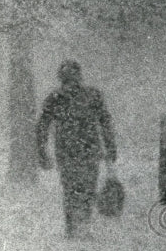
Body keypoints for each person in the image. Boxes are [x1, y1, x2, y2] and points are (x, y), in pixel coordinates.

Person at [36, 60, 117, 239]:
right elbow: (105, 122)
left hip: (67, 152)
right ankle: (82, 227)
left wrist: (42, 152)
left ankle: (73, 227)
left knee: (71, 189)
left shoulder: (55, 98)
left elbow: (42, 126)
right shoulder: (92, 95)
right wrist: (110, 147)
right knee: (87, 188)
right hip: (89, 151)